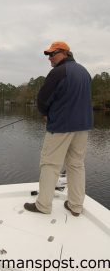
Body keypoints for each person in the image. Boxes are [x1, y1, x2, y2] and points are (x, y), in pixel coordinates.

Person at [24, 41, 93, 216]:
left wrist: (45, 113)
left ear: (65, 53)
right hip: (83, 126)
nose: (50, 58)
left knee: (50, 164)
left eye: (52, 54)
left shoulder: (58, 72)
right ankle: (76, 206)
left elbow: (42, 99)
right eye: (48, 55)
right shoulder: (84, 72)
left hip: (61, 126)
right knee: (76, 165)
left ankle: (43, 205)